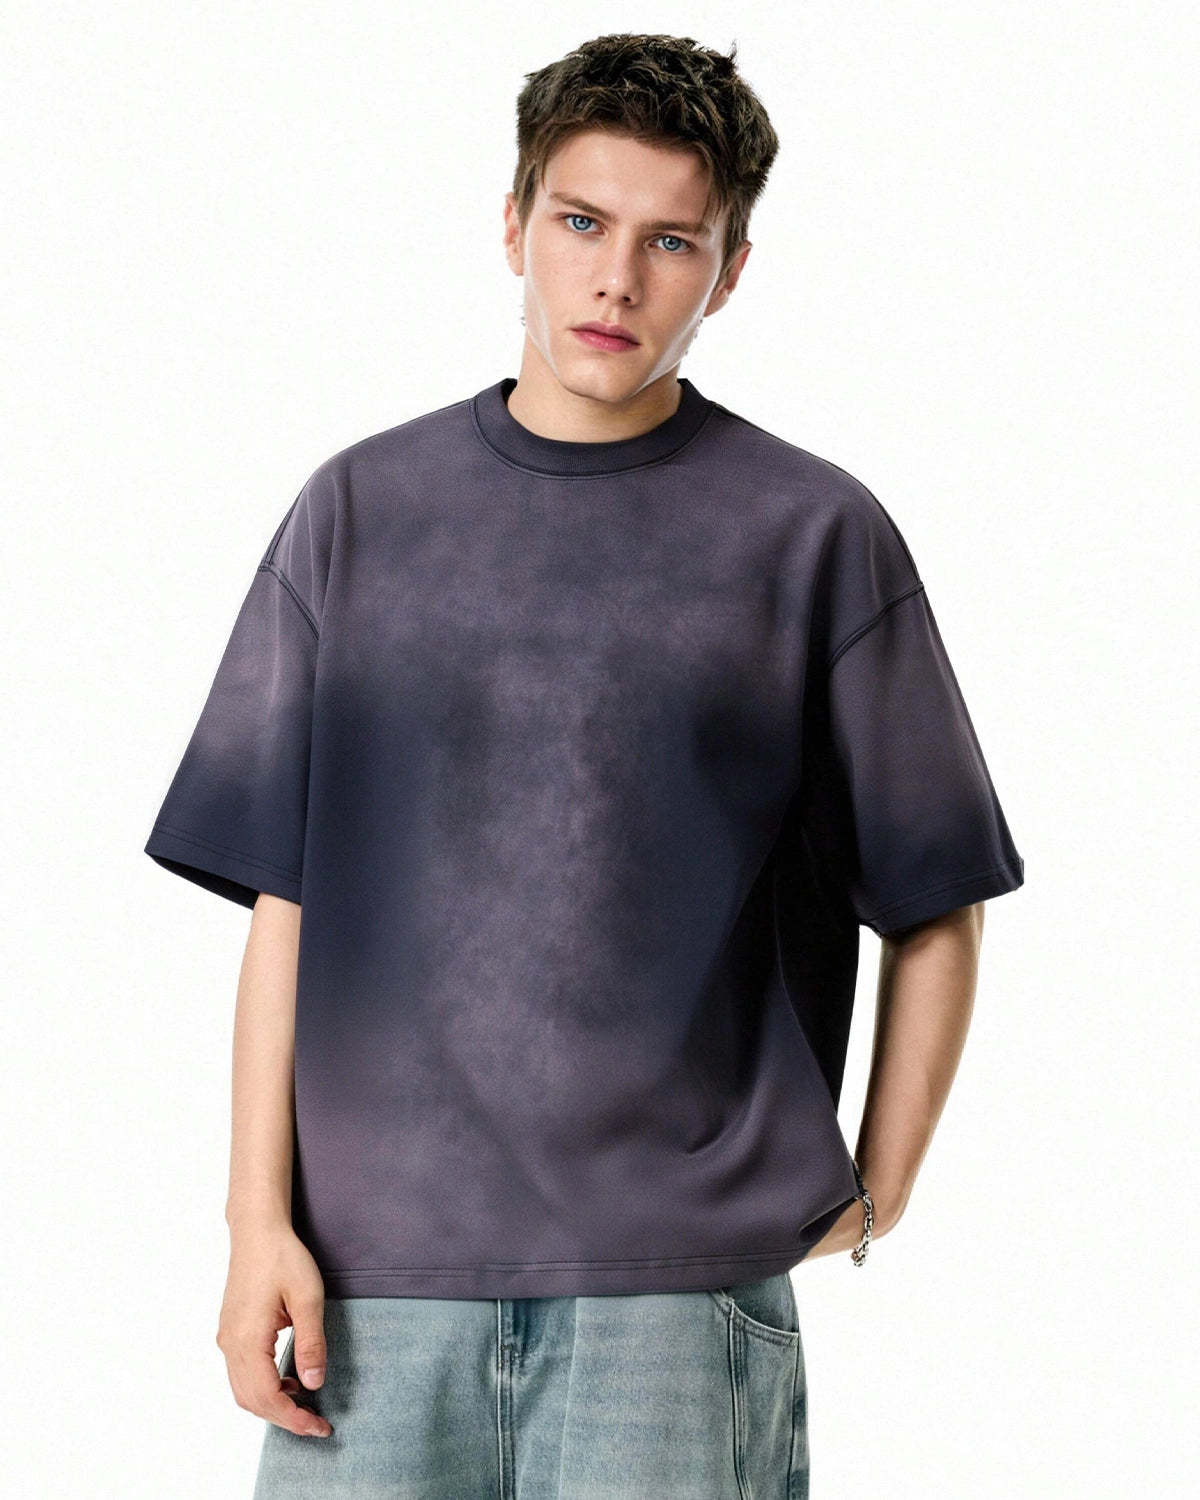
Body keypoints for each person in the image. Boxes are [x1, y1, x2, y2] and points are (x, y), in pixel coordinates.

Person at [144, 31, 1025, 1499]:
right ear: (514, 226)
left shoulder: (812, 537)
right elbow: (287, 902)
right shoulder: (357, 515)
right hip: (374, 1282)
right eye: (581, 222)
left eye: (672, 241)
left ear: (729, 272)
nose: (617, 280)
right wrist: (256, 1227)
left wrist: (881, 1187)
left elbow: (938, 895)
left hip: (671, 1300)